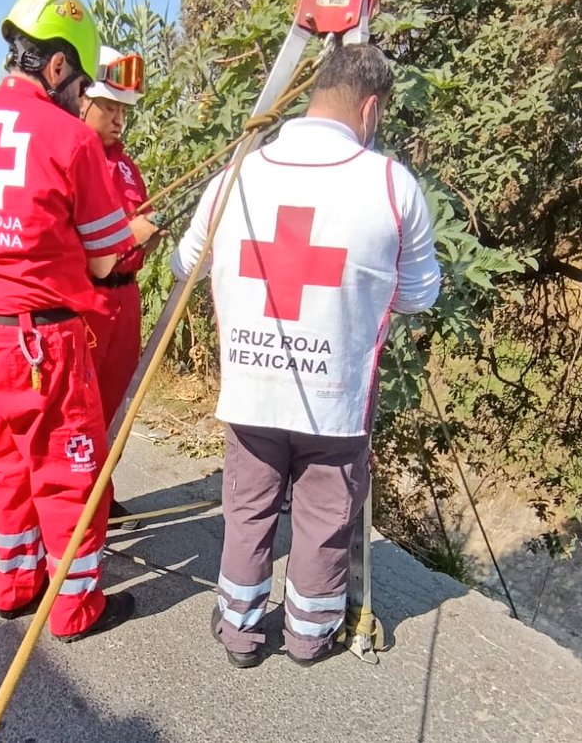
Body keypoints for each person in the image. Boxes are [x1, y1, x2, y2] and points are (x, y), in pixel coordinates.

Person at [171, 43, 441, 668]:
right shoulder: (392, 184)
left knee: (247, 506)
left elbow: (188, 264)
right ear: (370, 109)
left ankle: (238, 628)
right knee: (324, 516)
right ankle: (309, 636)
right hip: (337, 396)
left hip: (250, 390)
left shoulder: (236, 173)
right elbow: (421, 294)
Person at [0, 0, 148, 642]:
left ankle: (16, 583)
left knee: (4, 465)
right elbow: (109, 254)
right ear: (56, 66)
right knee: (67, 471)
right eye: (79, 81)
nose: (82, 95)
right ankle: (76, 608)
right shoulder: (69, 140)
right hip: (41, 344)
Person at [79, 46, 162, 529]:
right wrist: (130, 236)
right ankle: (80, 506)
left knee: (114, 407)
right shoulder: (73, 160)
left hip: (125, 298)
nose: (117, 118)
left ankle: (101, 495)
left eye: (123, 109)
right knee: (83, 411)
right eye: (108, 106)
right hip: (89, 300)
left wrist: (145, 236)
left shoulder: (127, 166)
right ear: (84, 101)